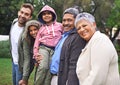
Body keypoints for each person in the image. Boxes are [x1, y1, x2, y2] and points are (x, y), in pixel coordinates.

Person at [75, 12, 120, 85]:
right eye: (78, 28)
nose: (82, 29)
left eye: (84, 25)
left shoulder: (100, 40)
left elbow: (97, 75)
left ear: (94, 25)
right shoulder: (91, 42)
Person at [50, 7, 86, 85]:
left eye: (69, 20)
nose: (66, 23)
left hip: (64, 80)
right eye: (64, 20)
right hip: (54, 77)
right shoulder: (64, 35)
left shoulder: (77, 38)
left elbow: (74, 65)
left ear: (77, 21)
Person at [33, 5, 63, 85]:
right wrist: (35, 54)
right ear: (41, 16)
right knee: (43, 67)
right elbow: (36, 42)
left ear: (53, 15)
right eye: (44, 14)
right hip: (44, 48)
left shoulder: (60, 26)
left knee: (50, 70)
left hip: (55, 50)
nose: (46, 15)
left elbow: (64, 36)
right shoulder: (41, 28)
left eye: (49, 13)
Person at [9, 3, 34, 85]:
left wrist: (25, 77)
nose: (22, 15)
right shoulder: (14, 22)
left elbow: (27, 57)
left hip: (21, 67)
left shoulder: (27, 33)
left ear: (30, 17)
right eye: (21, 12)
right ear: (18, 12)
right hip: (14, 62)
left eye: (26, 14)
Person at [18, 20, 42, 85]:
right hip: (23, 62)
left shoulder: (44, 37)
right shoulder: (26, 38)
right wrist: (25, 78)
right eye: (30, 31)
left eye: (35, 29)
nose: (33, 32)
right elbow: (27, 58)